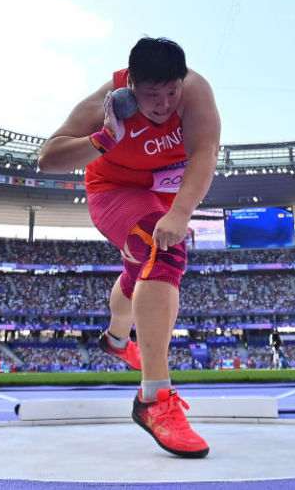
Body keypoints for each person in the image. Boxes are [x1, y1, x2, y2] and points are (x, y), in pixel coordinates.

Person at [38, 37, 220, 458]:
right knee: (160, 251)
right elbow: (48, 159)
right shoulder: (107, 99)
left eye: (171, 91)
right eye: (151, 95)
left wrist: (179, 214)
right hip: (113, 188)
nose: (163, 104)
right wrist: (101, 140)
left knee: (144, 263)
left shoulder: (194, 93)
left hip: (160, 192)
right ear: (130, 84)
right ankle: (154, 399)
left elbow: (204, 154)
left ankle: (117, 340)